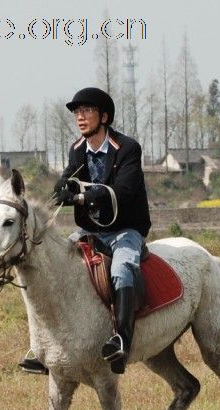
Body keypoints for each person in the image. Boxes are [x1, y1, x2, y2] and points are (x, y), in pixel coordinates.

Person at [19, 87, 151, 375]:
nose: (80, 116)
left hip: (125, 230)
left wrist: (84, 197)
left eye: (87, 111)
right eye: (77, 112)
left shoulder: (128, 148)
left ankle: (121, 341)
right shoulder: (77, 149)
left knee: (122, 270)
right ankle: (43, 348)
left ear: (104, 116)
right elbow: (69, 176)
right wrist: (62, 187)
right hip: (88, 230)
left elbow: (126, 190)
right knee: (54, 264)